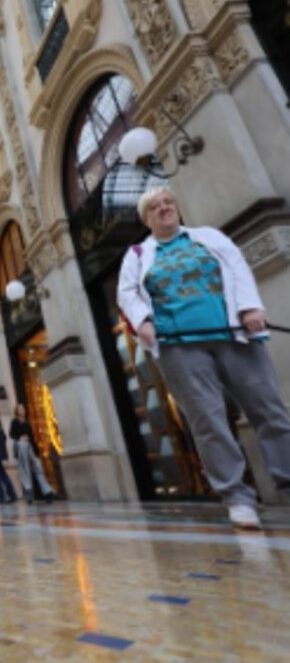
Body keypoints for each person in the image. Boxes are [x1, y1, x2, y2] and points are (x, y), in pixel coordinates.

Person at [118, 187, 290, 529]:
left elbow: (238, 269)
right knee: (208, 422)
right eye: (155, 207)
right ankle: (238, 498)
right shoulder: (137, 255)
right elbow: (127, 294)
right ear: (146, 219)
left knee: (270, 410)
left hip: (234, 336)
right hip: (180, 347)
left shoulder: (209, 237)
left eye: (168, 202)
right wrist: (143, 322)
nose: (164, 208)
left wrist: (250, 307)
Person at [9, 404, 56, 504]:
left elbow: (32, 436)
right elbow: (11, 434)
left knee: (37, 468)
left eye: (23, 408)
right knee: (25, 470)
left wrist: (36, 451)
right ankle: (29, 494)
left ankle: (47, 492)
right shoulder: (14, 422)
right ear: (17, 411)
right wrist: (20, 438)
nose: (22, 410)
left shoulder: (27, 422)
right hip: (21, 447)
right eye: (20, 409)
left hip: (29, 446)